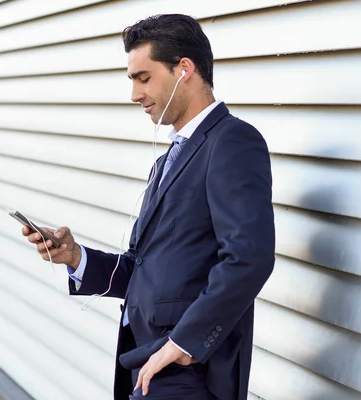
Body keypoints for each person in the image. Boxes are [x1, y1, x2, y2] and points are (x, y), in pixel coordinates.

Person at [22, 14, 275, 400]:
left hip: (192, 373)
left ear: (184, 69)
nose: (135, 94)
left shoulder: (233, 142)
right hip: (147, 364)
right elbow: (145, 268)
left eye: (144, 78)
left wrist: (184, 346)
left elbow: (249, 258)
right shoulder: (168, 159)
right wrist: (75, 258)